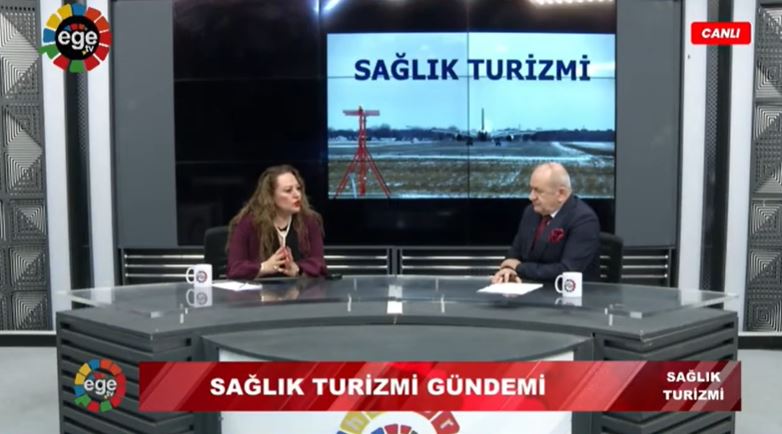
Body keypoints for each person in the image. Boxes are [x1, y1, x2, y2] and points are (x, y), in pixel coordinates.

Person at [492, 162, 600, 284]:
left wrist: (519, 268)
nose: (531, 197)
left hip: (572, 292)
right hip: (529, 289)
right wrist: (507, 270)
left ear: (561, 194)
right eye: (531, 189)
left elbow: (567, 271)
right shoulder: (531, 212)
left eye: (538, 191)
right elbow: (514, 254)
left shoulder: (584, 220)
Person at [226, 165, 327, 279]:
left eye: (298, 188)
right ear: (270, 196)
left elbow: (320, 265)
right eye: (288, 190)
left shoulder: (309, 221)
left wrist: (297, 269)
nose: (297, 194)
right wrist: (264, 267)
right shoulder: (248, 223)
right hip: (260, 289)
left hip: (299, 289)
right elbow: (235, 269)